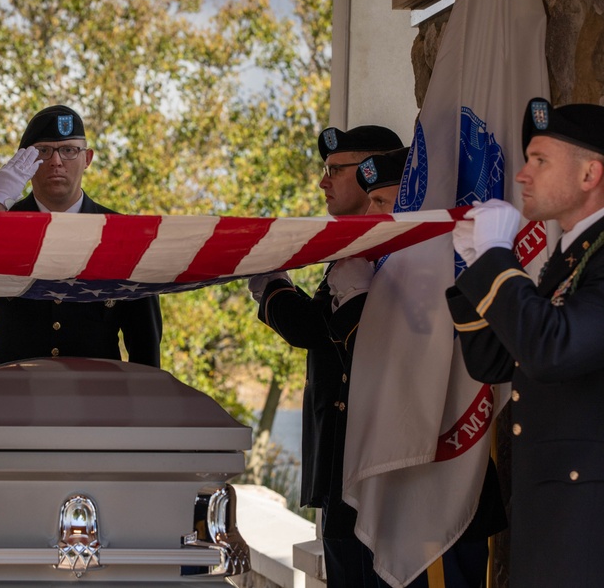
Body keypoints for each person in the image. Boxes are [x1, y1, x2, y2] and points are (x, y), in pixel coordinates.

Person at [318, 148, 506, 587]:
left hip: (436, 485)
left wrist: (357, 307)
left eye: (382, 204)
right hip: (402, 480)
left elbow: (402, 369)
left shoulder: (442, 267)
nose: (372, 216)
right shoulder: (391, 267)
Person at [446, 98, 604, 587]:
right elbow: (497, 361)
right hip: (558, 516)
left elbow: (551, 349)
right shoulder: (571, 256)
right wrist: (478, 267)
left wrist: (497, 258)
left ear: (589, 175)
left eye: (540, 160)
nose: (522, 175)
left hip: (588, 525)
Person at [247, 125, 402, 587]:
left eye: (336, 170)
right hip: (342, 464)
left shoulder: (393, 253)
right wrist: (271, 283)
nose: (323, 181)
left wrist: (273, 285)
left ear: (374, 172)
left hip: (378, 465)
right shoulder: (350, 250)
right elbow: (315, 328)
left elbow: (323, 332)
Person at [0, 104, 162, 374]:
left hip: (96, 394)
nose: (56, 161)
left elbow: (143, 340)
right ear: (24, 162)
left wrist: (143, 402)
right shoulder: (4, 223)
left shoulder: (121, 232)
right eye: (43, 151)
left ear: (88, 158)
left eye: (69, 150)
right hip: (13, 392)